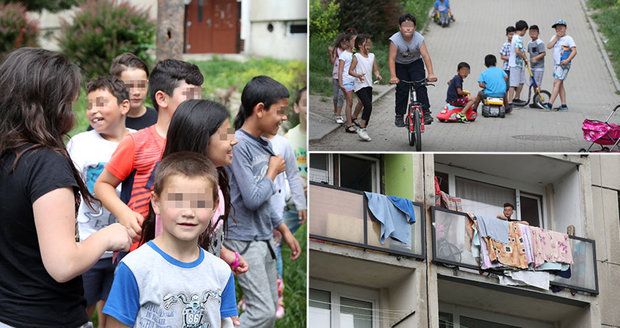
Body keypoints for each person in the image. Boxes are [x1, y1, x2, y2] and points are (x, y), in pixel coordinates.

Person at [0, 48, 131, 327]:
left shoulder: (7, 154)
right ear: (50, 104)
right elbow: (63, 265)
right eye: (69, 103)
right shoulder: (45, 164)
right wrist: (109, 236)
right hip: (45, 317)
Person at [103, 152, 238, 327]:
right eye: (178, 201)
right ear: (156, 203)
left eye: (200, 203)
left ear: (214, 206)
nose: (189, 213)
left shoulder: (221, 271)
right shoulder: (135, 268)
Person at [94, 59, 204, 250]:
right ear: (162, 98)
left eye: (199, 99)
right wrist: (125, 213)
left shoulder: (199, 144)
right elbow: (103, 185)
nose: (197, 106)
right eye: (189, 97)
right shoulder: (137, 142)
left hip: (185, 249)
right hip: (141, 248)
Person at [228, 76, 302, 327]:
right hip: (244, 240)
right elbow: (251, 199)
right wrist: (272, 172)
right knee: (261, 313)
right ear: (259, 109)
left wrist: (283, 230)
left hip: (264, 238)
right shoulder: (239, 145)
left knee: (270, 310)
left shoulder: (264, 145)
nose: (284, 118)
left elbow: (265, 199)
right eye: (280, 112)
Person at [148, 99, 249, 278]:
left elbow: (204, 234)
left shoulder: (216, 183)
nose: (234, 140)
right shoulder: (179, 194)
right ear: (201, 139)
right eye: (226, 134)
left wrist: (224, 254)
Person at [67, 76, 134, 327]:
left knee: (114, 315)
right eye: (90, 105)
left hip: (125, 250)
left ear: (124, 106)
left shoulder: (139, 141)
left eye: (102, 103)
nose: (93, 110)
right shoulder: (79, 144)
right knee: (79, 310)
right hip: (87, 248)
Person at [388, 13, 438, 127]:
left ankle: (426, 113)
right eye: (405, 26)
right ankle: (399, 115)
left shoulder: (419, 38)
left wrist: (431, 73)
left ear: (414, 27)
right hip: (400, 65)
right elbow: (391, 59)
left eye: (411, 25)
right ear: (400, 27)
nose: (408, 28)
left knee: (420, 85)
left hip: (415, 64)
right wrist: (393, 76)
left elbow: (425, 56)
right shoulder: (395, 40)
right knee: (402, 90)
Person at [109, 53, 158, 130]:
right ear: (115, 86)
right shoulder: (106, 121)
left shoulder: (159, 120)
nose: (136, 92)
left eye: (141, 85)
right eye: (129, 86)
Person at [349, 34, 382, 141]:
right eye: (366, 44)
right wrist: (357, 75)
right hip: (359, 85)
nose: (368, 46)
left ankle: (355, 119)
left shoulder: (372, 56)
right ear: (359, 45)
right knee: (368, 106)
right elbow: (350, 71)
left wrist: (377, 75)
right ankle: (362, 129)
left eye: (369, 44)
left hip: (368, 85)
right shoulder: (356, 57)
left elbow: (375, 69)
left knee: (366, 105)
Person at [543, 19, 577, 111]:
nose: (559, 30)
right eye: (557, 29)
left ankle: (549, 104)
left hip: (564, 65)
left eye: (561, 28)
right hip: (557, 65)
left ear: (565, 28)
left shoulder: (568, 39)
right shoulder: (555, 37)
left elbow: (574, 51)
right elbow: (549, 46)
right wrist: (556, 38)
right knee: (560, 84)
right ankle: (564, 105)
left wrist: (568, 60)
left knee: (556, 83)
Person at [337, 32, 358, 133]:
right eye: (354, 40)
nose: (355, 42)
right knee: (349, 102)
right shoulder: (343, 55)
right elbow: (340, 70)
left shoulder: (354, 54)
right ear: (348, 42)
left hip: (354, 81)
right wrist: (341, 83)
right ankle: (349, 125)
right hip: (346, 81)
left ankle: (351, 119)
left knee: (356, 102)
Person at [508, 20, 529, 105]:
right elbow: (517, 51)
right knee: (513, 83)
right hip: (515, 64)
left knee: (521, 81)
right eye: (525, 31)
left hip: (519, 64)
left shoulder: (515, 37)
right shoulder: (518, 38)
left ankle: (516, 98)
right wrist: (525, 58)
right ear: (523, 29)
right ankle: (510, 101)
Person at [328, 34, 348, 124]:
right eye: (342, 42)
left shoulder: (349, 52)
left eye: (346, 42)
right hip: (336, 76)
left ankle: (338, 115)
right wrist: (330, 53)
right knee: (335, 97)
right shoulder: (337, 50)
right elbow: (332, 62)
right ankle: (336, 111)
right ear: (339, 42)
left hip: (344, 78)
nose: (344, 44)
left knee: (341, 96)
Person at [500, 26, 516, 92]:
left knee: (514, 85)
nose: (512, 36)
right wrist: (511, 58)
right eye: (510, 34)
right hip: (507, 69)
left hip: (515, 68)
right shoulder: (505, 45)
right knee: (506, 86)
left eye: (513, 34)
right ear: (507, 35)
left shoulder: (516, 44)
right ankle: (505, 100)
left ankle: (513, 99)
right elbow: (502, 56)